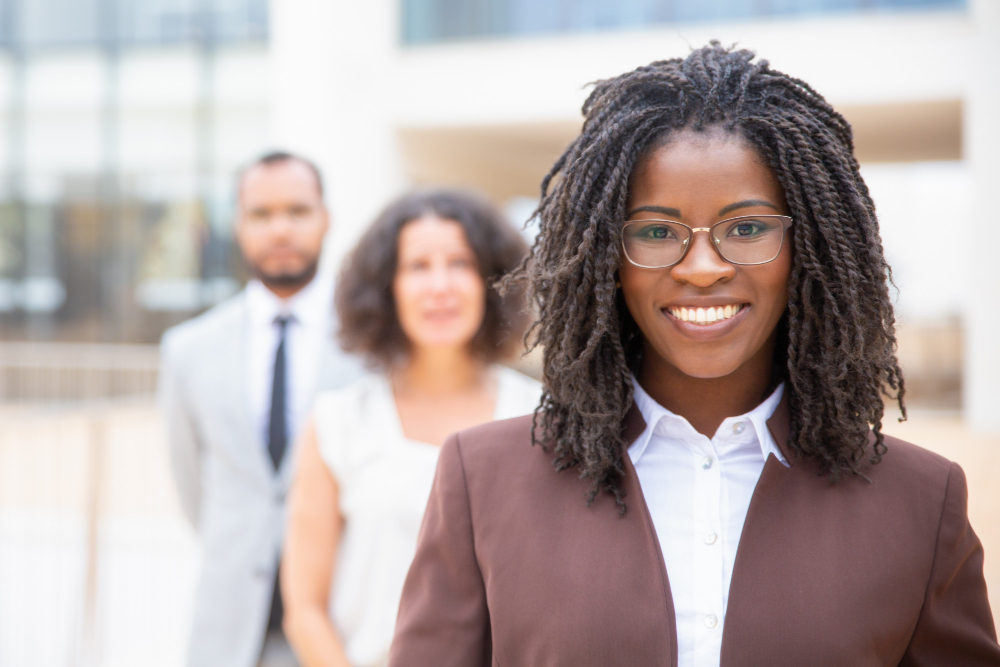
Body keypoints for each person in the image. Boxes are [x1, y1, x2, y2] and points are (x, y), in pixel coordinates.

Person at [388, 44, 1000, 666]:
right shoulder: (483, 479)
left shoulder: (921, 502)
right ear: (607, 258)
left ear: (806, 248)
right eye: (656, 232)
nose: (702, 269)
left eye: (747, 229)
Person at [280, 189, 542, 667]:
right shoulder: (339, 423)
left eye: (460, 263)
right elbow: (305, 611)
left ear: (492, 280)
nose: (439, 285)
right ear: (387, 287)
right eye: (417, 266)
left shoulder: (538, 419)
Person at [159, 152, 362, 667]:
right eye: (261, 214)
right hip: (226, 630)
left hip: (340, 628)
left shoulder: (371, 348)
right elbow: (193, 486)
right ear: (237, 224)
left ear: (326, 218)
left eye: (297, 211)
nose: (280, 229)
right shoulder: (188, 349)